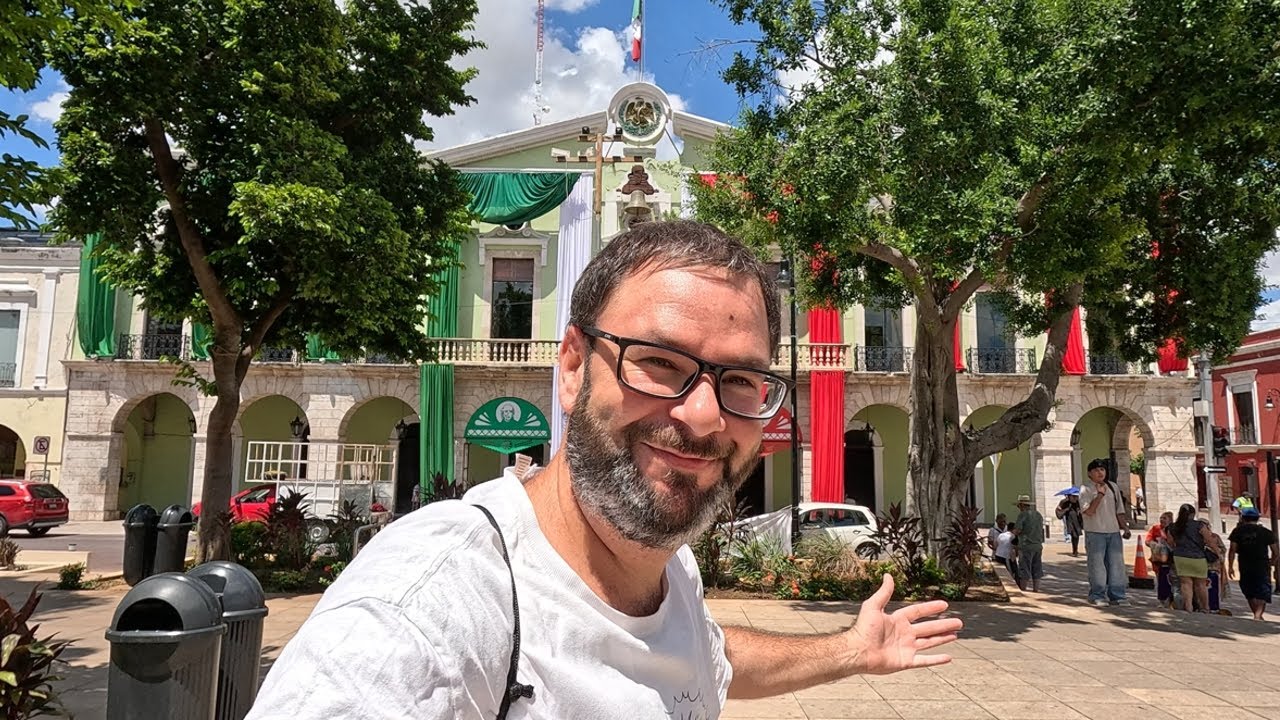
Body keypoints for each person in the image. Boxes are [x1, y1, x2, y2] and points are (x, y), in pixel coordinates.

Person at [245, 221, 963, 719]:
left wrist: (850, 650)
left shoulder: (666, 569)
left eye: (741, 380)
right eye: (659, 363)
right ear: (571, 367)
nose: (705, 416)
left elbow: (704, 659)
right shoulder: (435, 602)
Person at [1078, 458, 1132, 606]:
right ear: (1090, 474)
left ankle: (1117, 595)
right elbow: (1088, 511)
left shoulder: (1113, 487)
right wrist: (1099, 495)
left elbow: (1119, 511)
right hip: (1095, 531)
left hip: (1113, 531)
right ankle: (1097, 594)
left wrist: (1125, 528)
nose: (1100, 472)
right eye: (1096, 470)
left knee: (1116, 564)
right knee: (1097, 565)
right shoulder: (1086, 489)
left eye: (1102, 469)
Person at [1228, 507, 1280, 620]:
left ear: (1243, 518)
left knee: (1248, 590)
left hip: (1245, 564)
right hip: (1262, 564)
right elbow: (1276, 551)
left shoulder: (1237, 531)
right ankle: (1258, 615)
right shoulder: (1266, 532)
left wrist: (1231, 566)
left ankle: (1257, 615)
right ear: (1257, 518)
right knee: (1263, 590)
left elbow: (1232, 550)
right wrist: (1273, 562)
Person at [1167, 503, 1215, 613]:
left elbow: (1170, 543)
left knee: (1185, 583)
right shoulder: (1200, 525)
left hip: (1180, 557)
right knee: (1201, 584)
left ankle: (1188, 607)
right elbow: (1209, 541)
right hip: (1198, 557)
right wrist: (1218, 553)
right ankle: (1205, 607)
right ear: (1193, 514)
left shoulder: (1173, 527)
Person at [1012, 495, 1045, 592]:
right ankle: (1036, 590)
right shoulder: (1038, 515)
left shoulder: (1022, 515)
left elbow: (1018, 529)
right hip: (1038, 545)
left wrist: (1011, 533)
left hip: (1026, 545)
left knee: (1024, 568)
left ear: (1022, 505)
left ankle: (1023, 589)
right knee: (1037, 568)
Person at [1146, 511, 1174, 608]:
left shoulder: (1173, 529)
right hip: (1158, 559)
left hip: (1171, 560)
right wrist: (1155, 545)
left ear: (1170, 520)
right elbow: (1147, 541)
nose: (1162, 520)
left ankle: (1171, 600)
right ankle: (1162, 600)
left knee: (1172, 580)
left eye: (1164, 518)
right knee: (1160, 579)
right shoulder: (1155, 528)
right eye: (1161, 518)